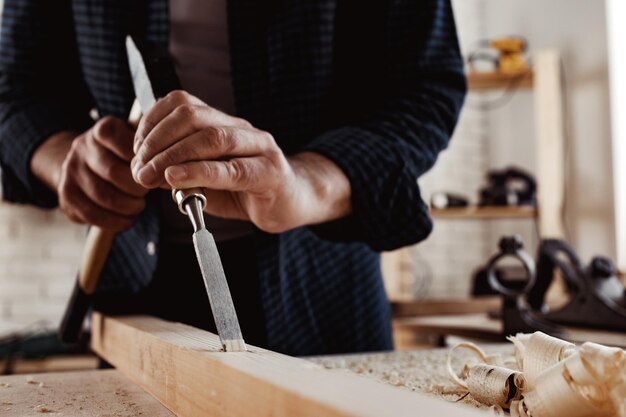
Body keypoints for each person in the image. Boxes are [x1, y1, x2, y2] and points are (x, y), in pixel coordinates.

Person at [0, 0, 466, 356]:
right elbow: (14, 89)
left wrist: (307, 182)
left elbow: (426, 87)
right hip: (136, 290)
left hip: (321, 284)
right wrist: (64, 160)